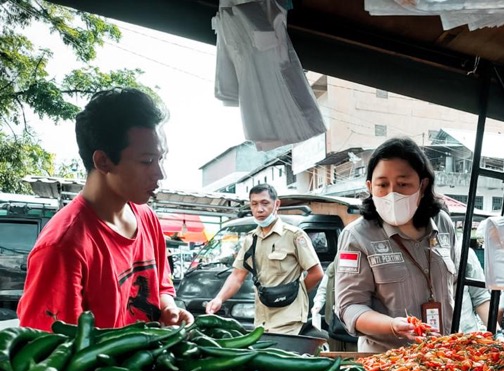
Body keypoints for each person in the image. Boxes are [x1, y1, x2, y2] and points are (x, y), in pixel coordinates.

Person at [18, 88, 193, 331]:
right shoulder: (63, 247)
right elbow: (49, 351)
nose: (160, 173)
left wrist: (168, 308)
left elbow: (161, 287)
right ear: (103, 161)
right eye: (147, 161)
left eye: (161, 159)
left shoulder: (147, 219)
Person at [334, 137, 457, 353]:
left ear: (423, 184)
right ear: (370, 187)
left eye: (403, 184)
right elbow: (349, 307)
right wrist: (392, 326)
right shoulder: (356, 236)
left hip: (440, 359)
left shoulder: (443, 224)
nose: (393, 193)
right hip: (386, 362)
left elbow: (452, 288)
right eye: (382, 185)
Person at [206, 184, 324, 334]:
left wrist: (292, 294)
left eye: (265, 203)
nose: (259, 209)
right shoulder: (251, 239)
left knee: (282, 355)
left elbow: (316, 273)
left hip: (288, 318)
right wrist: (219, 299)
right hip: (262, 319)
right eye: (254, 204)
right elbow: (237, 275)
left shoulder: (294, 235)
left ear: (277, 204)